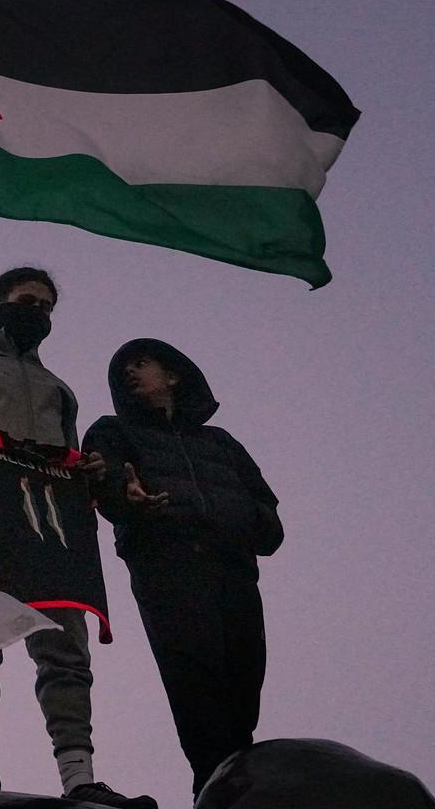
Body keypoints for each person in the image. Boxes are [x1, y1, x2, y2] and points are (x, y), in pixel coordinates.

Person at [0, 267, 154, 809]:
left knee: (64, 645)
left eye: (45, 306)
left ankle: (78, 775)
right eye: (25, 301)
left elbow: (73, 454)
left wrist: (91, 468)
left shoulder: (58, 388)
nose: (35, 312)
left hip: (54, 519)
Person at [83, 339, 283, 800]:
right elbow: (107, 487)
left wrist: (230, 522)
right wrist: (127, 498)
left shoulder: (221, 443)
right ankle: (211, 790)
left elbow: (269, 524)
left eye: (140, 363)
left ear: (172, 375)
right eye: (121, 371)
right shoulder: (112, 431)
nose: (129, 374)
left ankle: (236, 791)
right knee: (196, 684)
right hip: (167, 568)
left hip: (233, 570)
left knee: (243, 686)